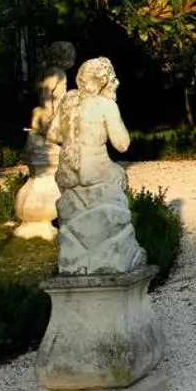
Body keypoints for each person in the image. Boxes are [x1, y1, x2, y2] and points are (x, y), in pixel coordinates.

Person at [49, 57, 149, 275]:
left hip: (68, 175)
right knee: (119, 176)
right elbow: (122, 144)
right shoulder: (105, 105)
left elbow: (53, 134)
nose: (118, 82)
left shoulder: (68, 101)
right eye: (113, 77)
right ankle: (116, 253)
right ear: (103, 82)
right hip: (98, 172)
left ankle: (77, 260)